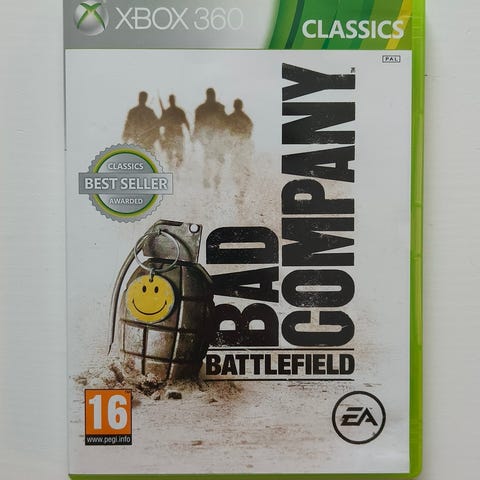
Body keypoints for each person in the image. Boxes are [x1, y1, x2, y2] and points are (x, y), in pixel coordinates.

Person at [193, 88, 228, 187]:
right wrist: (195, 136)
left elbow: (225, 122)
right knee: (212, 158)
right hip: (210, 136)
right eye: (212, 95)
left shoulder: (203, 108)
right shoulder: (215, 107)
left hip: (215, 136)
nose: (212, 97)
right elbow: (197, 124)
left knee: (216, 158)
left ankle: (213, 178)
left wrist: (195, 136)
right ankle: (209, 178)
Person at [159, 95, 190, 165]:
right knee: (171, 155)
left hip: (174, 135)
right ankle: (173, 168)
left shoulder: (169, 111)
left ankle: (175, 168)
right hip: (172, 135)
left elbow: (160, 124)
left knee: (177, 155)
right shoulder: (177, 111)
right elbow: (160, 124)